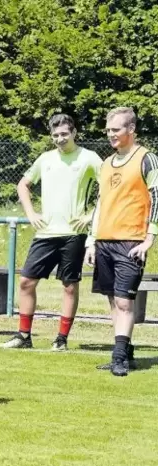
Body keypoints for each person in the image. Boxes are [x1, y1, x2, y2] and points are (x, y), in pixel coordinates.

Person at [0, 114, 101, 351]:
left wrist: (89, 216)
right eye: (55, 135)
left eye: (64, 134)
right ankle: (23, 336)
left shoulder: (89, 158)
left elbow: (109, 188)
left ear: (74, 132)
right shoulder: (45, 159)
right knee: (26, 282)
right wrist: (31, 213)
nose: (60, 139)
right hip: (45, 234)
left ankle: (61, 339)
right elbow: (23, 184)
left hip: (74, 234)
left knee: (69, 286)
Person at [85, 107, 158, 376]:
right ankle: (125, 351)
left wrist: (149, 238)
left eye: (116, 129)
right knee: (113, 301)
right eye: (108, 130)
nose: (111, 135)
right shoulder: (105, 164)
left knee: (125, 302)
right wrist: (91, 241)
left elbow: (157, 198)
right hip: (105, 241)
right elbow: (101, 204)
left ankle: (118, 358)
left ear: (131, 129)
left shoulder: (147, 159)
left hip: (131, 241)